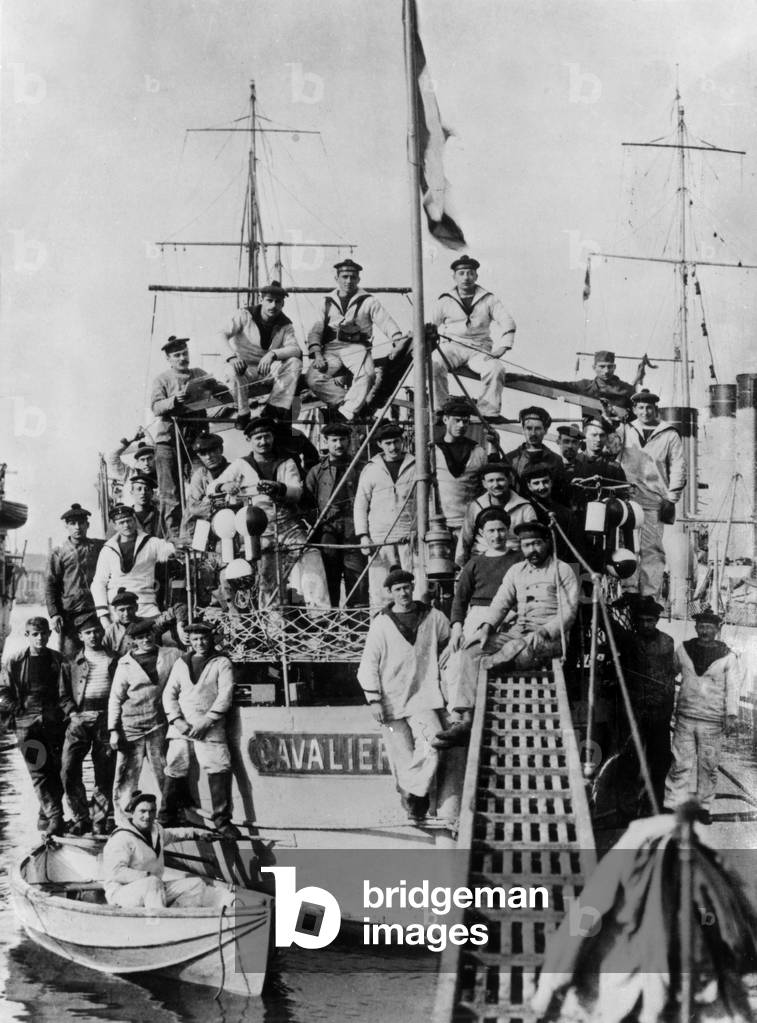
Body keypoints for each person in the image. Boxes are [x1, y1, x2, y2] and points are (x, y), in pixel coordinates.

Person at [357, 569, 451, 820]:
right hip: (391, 699)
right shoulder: (381, 623)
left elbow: (449, 641)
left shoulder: (433, 616)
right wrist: (374, 699)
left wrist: (445, 656)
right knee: (402, 756)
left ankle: (414, 793)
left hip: (423, 696)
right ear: (390, 592)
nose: (403, 593)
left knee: (433, 743)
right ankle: (414, 802)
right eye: (397, 589)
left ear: (413, 587)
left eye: (407, 587)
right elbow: (368, 663)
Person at [208, 416, 329, 608]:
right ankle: (273, 620)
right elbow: (211, 488)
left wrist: (279, 488)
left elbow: (296, 492)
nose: (263, 442)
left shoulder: (286, 462)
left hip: (288, 526)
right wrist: (224, 486)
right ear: (249, 440)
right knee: (268, 574)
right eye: (258, 438)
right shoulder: (241, 464)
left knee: (311, 555)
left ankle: (320, 612)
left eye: (267, 436)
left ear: (273, 437)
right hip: (260, 531)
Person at [437, 510, 523, 747]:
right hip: (477, 616)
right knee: (455, 661)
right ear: (482, 534)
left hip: (510, 614)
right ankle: (458, 720)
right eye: (491, 531)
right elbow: (460, 601)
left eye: (501, 530)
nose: (497, 535)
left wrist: (510, 616)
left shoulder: (519, 560)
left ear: (508, 530)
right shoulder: (474, 563)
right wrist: (456, 630)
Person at [462, 521, 579, 675]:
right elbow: (500, 603)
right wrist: (486, 628)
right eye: (526, 545)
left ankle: (495, 662)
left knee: (523, 654)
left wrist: (544, 632)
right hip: (517, 634)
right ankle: (484, 677)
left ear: (547, 543)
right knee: (472, 650)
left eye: (537, 543)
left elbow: (569, 613)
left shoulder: (562, 570)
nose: (532, 550)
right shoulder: (516, 571)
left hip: (549, 638)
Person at [161, 622, 241, 839]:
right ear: (190, 640)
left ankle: (222, 821)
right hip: (182, 727)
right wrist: (177, 720)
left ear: (211, 638)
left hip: (210, 727)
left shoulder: (221, 662)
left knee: (218, 766)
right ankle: (166, 815)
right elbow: (169, 694)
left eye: (203, 638)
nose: (200, 643)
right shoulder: (181, 663)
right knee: (175, 766)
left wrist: (207, 721)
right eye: (195, 639)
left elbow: (225, 695)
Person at [664, 609, 742, 824]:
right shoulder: (683, 650)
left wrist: (731, 715)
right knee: (680, 764)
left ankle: (704, 807)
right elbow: (671, 672)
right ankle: (671, 804)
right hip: (685, 718)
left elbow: (733, 688)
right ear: (696, 627)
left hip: (712, 721)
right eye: (701, 626)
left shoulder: (728, 656)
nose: (704, 630)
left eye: (709, 627)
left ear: (717, 629)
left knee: (708, 766)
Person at [305, 259, 407, 422]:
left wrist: (397, 339)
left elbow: (386, 321)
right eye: (344, 277)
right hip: (331, 349)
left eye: (353, 277)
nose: (349, 281)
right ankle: (348, 404)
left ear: (358, 279)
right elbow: (315, 330)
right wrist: (317, 354)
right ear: (337, 278)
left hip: (356, 347)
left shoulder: (368, 301)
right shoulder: (326, 302)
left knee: (368, 374)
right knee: (313, 378)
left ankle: (345, 413)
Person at [150, 335, 225, 539]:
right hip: (168, 442)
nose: (182, 358)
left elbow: (221, 390)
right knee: (170, 495)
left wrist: (216, 387)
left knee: (202, 486)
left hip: (197, 443)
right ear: (168, 359)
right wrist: (174, 400)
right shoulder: (162, 379)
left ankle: (201, 537)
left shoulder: (199, 374)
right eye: (177, 355)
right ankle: (175, 540)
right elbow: (156, 407)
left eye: (184, 353)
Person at [108, 619, 181, 824]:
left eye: (148, 635)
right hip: (131, 727)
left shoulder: (171, 654)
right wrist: (113, 730)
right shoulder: (125, 664)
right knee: (126, 776)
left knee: (164, 771)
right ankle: (123, 819)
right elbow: (115, 698)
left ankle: (168, 816)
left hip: (158, 725)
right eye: (140, 637)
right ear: (133, 641)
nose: (146, 640)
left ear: (154, 634)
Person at [615, 389, 687, 598]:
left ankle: (649, 597)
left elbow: (678, 467)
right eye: (641, 408)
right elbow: (612, 451)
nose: (645, 412)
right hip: (628, 499)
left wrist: (671, 498)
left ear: (656, 409)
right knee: (627, 546)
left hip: (654, 500)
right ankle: (628, 593)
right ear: (634, 409)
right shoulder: (626, 429)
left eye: (649, 408)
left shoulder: (669, 434)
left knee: (652, 550)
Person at [0, 617, 67, 835]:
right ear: (27, 636)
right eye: (35, 634)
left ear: (49, 634)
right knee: (38, 770)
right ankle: (56, 816)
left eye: (43, 633)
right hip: (27, 724)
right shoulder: (15, 660)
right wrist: (16, 709)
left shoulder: (58, 659)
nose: (40, 638)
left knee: (58, 769)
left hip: (54, 722)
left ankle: (45, 815)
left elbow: (67, 690)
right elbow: (2, 691)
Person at [429, 255, 516, 417]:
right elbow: (429, 324)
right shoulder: (445, 300)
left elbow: (507, 322)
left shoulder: (489, 299)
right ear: (454, 277)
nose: (466, 277)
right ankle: (440, 409)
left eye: (470, 273)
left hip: (479, 349)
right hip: (451, 348)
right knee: (434, 363)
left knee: (496, 368)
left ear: (476, 275)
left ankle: (488, 412)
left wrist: (503, 347)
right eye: (461, 273)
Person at [615, 596, 676, 808]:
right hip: (635, 710)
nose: (646, 625)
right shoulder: (630, 641)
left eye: (650, 620)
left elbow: (669, 677)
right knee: (631, 757)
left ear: (657, 620)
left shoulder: (667, 642)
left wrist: (666, 708)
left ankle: (655, 802)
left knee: (660, 759)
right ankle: (629, 803)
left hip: (659, 711)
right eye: (641, 621)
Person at [60, 615, 118, 835]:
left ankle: (100, 820)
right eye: (88, 633)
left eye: (96, 631)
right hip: (80, 719)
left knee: (104, 772)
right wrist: (73, 714)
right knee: (68, 769)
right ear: (80, 636)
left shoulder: (114, 659)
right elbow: (63, 695)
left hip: (106, 718)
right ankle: (81, 817)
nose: (93, 636)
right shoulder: (70, 662)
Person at [102, 791, 211, 909]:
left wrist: (198, 833)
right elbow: (115, 872)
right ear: (132, 813)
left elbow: (174, 834)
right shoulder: (121, 837)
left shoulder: (156, 830)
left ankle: (177, 916)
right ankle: (158, 918)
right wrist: (146, 875)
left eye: (152, 811)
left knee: (196, 884)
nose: (148, 816)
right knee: (152, 883)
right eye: (142, 811)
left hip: (154, 888)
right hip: (122, 893)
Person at [304, 421, 368, 607]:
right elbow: (307, 503)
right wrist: (317, 523)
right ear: (326, 441)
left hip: (354, 529)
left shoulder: (361, 468)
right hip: (327, 530)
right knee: (328, 578)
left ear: (349, 440)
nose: (339, 444)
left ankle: (357, 622)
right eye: (334, 440)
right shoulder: (316, 472)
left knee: (357, 578)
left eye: (342, 439)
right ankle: (330, 621)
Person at [354, 421, 416, 609]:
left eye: (396, 442)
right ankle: (380, 622)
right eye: (388, 443)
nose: (393, 447)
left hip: (409, 536)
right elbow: (360, 504)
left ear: (402, 441)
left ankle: (414, 620)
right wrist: (363, 535)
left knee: (413, 584)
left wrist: (420, 530)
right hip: (379, 538)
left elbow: (427, 500)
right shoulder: (371, 469)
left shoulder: (415, 465)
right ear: (380, 444)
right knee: (381, 588)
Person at [219, 280, 303, 420]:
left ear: (283, 304)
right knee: (231, 371)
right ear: (261, 300)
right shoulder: (244, 315)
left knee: (295, 363)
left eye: (278, 302)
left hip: (267, 371)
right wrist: (231, 357)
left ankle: (273, 407)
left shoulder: (285, 324)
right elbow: (221, 334)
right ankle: (243, 412)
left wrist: (272, 354)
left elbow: (295, 349)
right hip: (245, 370)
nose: (273, 305)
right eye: (269, 300)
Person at [91, 505, 177, 624]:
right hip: (118, 609)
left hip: (145, 605)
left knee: (156, 631)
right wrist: (103, 616)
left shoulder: (151, 543)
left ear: (134, 521)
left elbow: (175, 549)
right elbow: (99, 582)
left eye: (129, 521)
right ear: (115, 526)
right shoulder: (107, 549)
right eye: (121, 523)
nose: (126, 525)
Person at [45, 503, 104, 659]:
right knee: (69, 656)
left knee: (100, 653)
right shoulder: (59, 552)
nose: (77, 527)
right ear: (66, 526)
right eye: (73, 523)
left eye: (81, 523)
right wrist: (54, 614)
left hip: (95, 610)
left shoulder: (99, 547)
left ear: (87, 525)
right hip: (70, 614)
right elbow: (51, 585)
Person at [456, 461, 536, 565]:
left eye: (500, 480)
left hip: (514, 561)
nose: (496, 485)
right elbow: (465, 539)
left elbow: (531, 540)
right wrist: (462, 566)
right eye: (491, 481)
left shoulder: (525, 507)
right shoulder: (476, 506)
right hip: (482, 559)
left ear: (509, 480)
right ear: (484, 484)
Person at [433, 398, 488, 534]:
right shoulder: (433, 451)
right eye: (457, 420)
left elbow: (485, 488)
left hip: (470, 522)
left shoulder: (478, 452)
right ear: (445, 419)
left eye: (465, 421)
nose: (461, 425)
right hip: (439, 524)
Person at [521, 463, 578, 566]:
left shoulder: (566, 513)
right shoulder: (525, 510)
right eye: (536, 483)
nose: (542, 487)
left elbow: (574, 548)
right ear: (529, 486)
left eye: (545, 482)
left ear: (551, 482)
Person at [505, 407, 566, 494]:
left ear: (545, 430)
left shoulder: (556, 460)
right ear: (523, 430)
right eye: (529, 428)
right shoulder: (510, 459)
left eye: (537, 428)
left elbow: (560, 493)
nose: (533, 433)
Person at [181, 433, 230, 540]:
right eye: (203, 454)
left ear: (220, 450)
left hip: (231, 521)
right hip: (207, 526)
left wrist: (209, 501)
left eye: (212, 451)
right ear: (199, 456)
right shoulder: (200, 475)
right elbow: (194, 507)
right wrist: (220, 504)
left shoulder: (233, 470)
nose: (208, 457)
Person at [571, 350, 637, 403]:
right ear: (594, 367)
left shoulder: (628, 389)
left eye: (610, 367)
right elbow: (564, 386)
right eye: (602, 367)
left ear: (614, 367)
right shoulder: (584, 386)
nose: (606, 371)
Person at [107, 439, 156, 506]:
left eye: (149, 459)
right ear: (138, 462)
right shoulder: (130, 475)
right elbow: (112, 458)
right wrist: (130, 441)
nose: (146, 463)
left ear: (155, 459)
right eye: (142, 460)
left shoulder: (163, 476)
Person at [103, 588, 139, 656]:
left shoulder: (146, 624)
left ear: (136, 607)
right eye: (122, 610)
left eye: (130, 609)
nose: (126, 614)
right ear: (115, 610)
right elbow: (106, 654)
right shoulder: (110, 631)